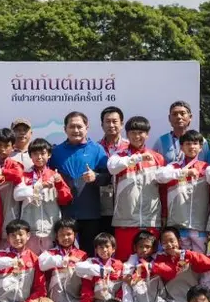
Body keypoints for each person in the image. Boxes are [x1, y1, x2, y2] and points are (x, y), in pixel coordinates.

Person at [48, 111, 110, 256]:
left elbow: (108, 178)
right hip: (65, 214)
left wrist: (96, 176)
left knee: (88, 255)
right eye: (72, 127)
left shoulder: (97, 149)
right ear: (65, 129)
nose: (76, 130)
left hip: (90, 214)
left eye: (79, 126)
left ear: (86, 128)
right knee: (64, 256)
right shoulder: (56, 152)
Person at [107, 116, 166, 261]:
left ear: (147, 134)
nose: (137, 136)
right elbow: (112, 168)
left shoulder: (157, 158)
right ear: (127, 134)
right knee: (124, 262)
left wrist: (164, 214)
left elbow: (163, 189)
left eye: (141, 132)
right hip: (125, 221)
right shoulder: (119, 156)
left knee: (150, 263)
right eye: (133, 133)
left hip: (150, 220)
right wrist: (136, 158)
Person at [154, 130, 210, 253]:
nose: (191, 147)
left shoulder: (207, 168)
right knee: (178, 263)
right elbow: (159, 176)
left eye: (195, 143)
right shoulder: (173, 167)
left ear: (201, 147)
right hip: (177, 224)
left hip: (199, 225)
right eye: (188, 143)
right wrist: (182, 173)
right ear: (181, 147)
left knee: (199, 263)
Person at [13, 139, 73, 254]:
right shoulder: (25, 176)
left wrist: (59, 184)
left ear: (49, 155)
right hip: (30, 228)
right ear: (30, 156)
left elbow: (66, 199)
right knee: (31, 263)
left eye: (43, 153)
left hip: (50, 229)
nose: (39, 157)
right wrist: (38, 186)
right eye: (35, 154)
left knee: (49, 263)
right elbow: (17, 195)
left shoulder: (54, 175)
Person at [152, 227, 210, 302]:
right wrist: (177, 267)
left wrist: (184, 254)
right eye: (164, 242)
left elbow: (208, 264)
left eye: (172, 241)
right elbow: (166, 272)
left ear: (179, 241)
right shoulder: (160, 258)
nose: (169, 245)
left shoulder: (189, 255)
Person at [37, 218, 88, 302]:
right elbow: (41, 264)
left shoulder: (82, 255)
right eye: (62, 235)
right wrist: (64, 259)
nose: (65, 238)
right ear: (56, 236)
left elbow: (87, 282)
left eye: (69, 234)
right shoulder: (49, 254)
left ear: (75, 235)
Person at [75, 233, 127, 302]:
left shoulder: (119, 265)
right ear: (96, 250)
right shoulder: (91, 263)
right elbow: (86, 287)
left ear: (114, 249)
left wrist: (119, 299)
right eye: (100, 247)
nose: (104, 250)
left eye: (107, 246)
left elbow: (122, 286)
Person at [0, 128, 25, 248]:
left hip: (10, 214)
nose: (2, 149)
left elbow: (17, 175)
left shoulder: (15, 165)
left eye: (6, 145)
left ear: (13, 147)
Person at [98, 106, 129, 235]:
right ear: (102, 125)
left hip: (126, 204)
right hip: (100, 205)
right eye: (107, 121)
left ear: (121, 124)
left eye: (115, 121)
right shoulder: (95, 148)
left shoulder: (129, 149)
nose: (111, 125)